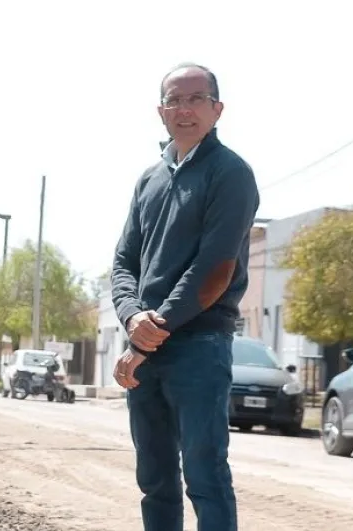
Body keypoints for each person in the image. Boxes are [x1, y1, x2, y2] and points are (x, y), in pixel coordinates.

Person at [110, 63, 259, 531]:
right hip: (148, 345)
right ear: (160, 110)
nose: (185, 109)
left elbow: (214, 268)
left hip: (199, 345)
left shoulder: (230, 173)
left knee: (205, 475)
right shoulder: (148, 180)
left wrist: (148, 334)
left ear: (217, 109)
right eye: (174, 100)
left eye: (196, 99)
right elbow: (122, 263)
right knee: (154, 479)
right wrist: (133, 317)